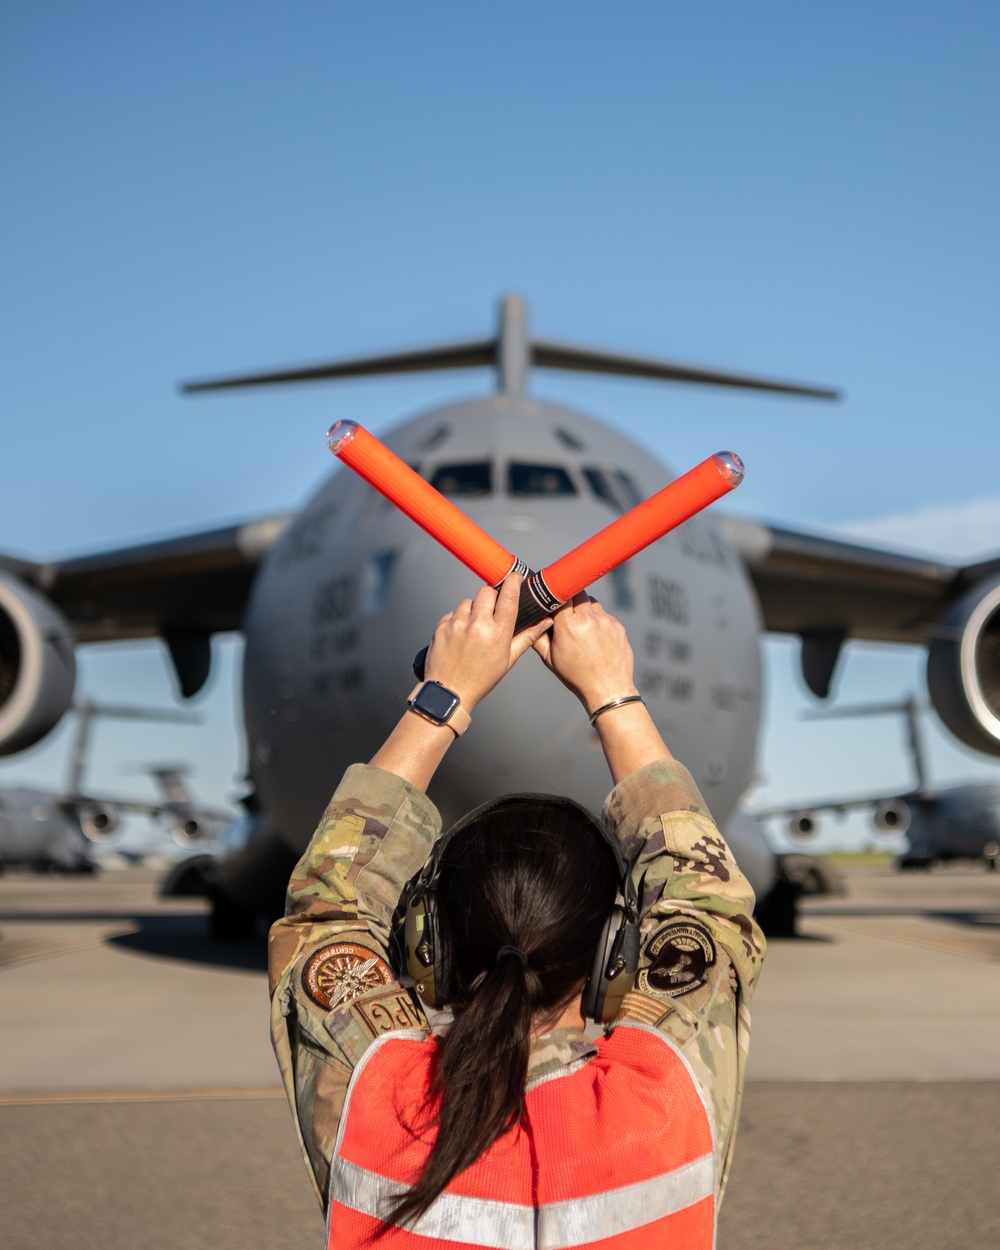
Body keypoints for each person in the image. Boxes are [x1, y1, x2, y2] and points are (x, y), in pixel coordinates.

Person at [269, 573, 765, 1247]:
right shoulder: (667, 1091)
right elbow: (704, 895)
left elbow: (327, 906)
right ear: (609, 958)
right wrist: (610, 692)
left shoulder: (375, 1096)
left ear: (429, 946)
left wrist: (442, 699)